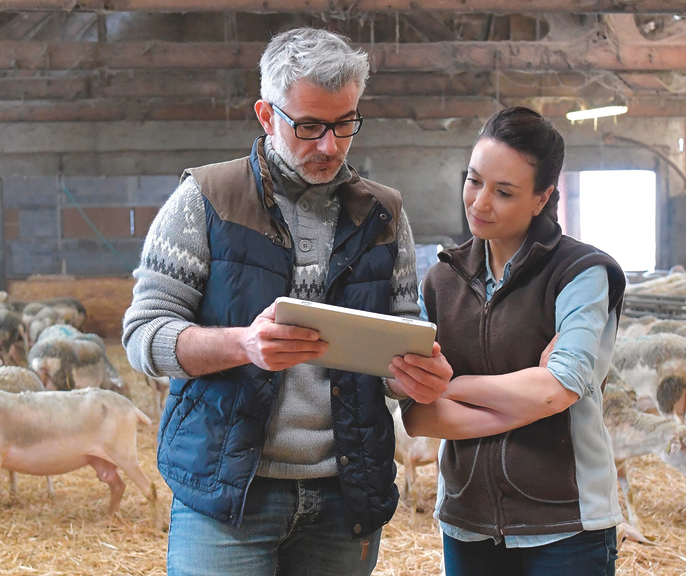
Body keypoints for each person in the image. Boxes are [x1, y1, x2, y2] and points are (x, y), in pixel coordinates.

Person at [122, 27, 450, 576]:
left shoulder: (383, 215)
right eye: (309, 126)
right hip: (229, 491)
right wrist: (243, 344)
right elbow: (142, 338)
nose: (330, 145)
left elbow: (399, 335)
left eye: (345, 123)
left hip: (345, 490)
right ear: (265, 114)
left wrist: (415, 374)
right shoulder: (204, 200)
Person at [395, 107, 627, 576]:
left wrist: (450, 387)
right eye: (474, 181)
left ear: (542, 198)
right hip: (467, 519)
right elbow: (418, 415)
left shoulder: (580, 274)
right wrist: (524, 400)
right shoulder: (441, 281)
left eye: (504, 192)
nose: (480, 203)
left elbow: (556, 389)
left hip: (565, 522)